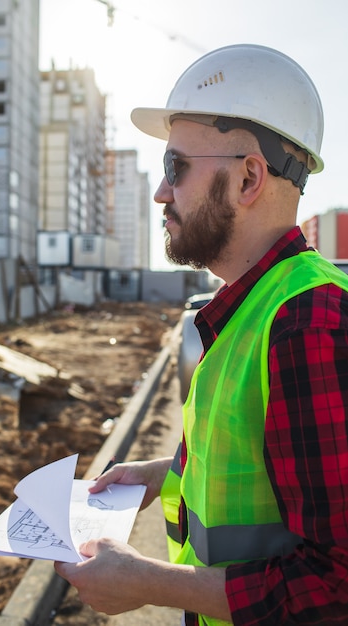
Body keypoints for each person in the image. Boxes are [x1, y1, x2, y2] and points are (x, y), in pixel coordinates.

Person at [55, 44, 348, 625]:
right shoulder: (248, 307)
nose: (162, 193)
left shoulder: (307, 323)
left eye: (175, 167)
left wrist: (154, 584)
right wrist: (161, 474)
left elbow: (336, 583)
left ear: (248, 178)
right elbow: (253, 469)